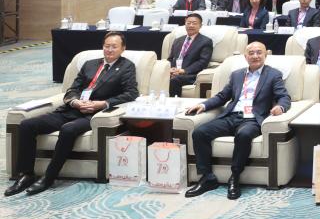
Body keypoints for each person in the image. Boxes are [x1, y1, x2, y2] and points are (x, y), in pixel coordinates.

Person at [6, 32, 139, 196]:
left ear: (123, 48)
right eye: (107, 46)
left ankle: (49, 177)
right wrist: (75, 101)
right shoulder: (89, 64)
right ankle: (26, 174)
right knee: (27, 125)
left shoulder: (126, 67)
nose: (109, 50)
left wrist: (102, 103)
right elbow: (72, 89)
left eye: (114, 47)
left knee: (68, 129)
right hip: (72, 109)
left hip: (94, 114)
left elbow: (131, 93)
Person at [168, 13, 213, 97]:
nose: (191, 25)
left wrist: (184, 71)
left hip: (191, 74)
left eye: (194, 23)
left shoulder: (206, 41)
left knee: (175, 80)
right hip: (174, 72)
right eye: (188, 23)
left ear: (200, 25)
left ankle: (174, 102)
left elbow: (203, 62)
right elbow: (170, 58)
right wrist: (170, 69)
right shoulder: (178, 40)